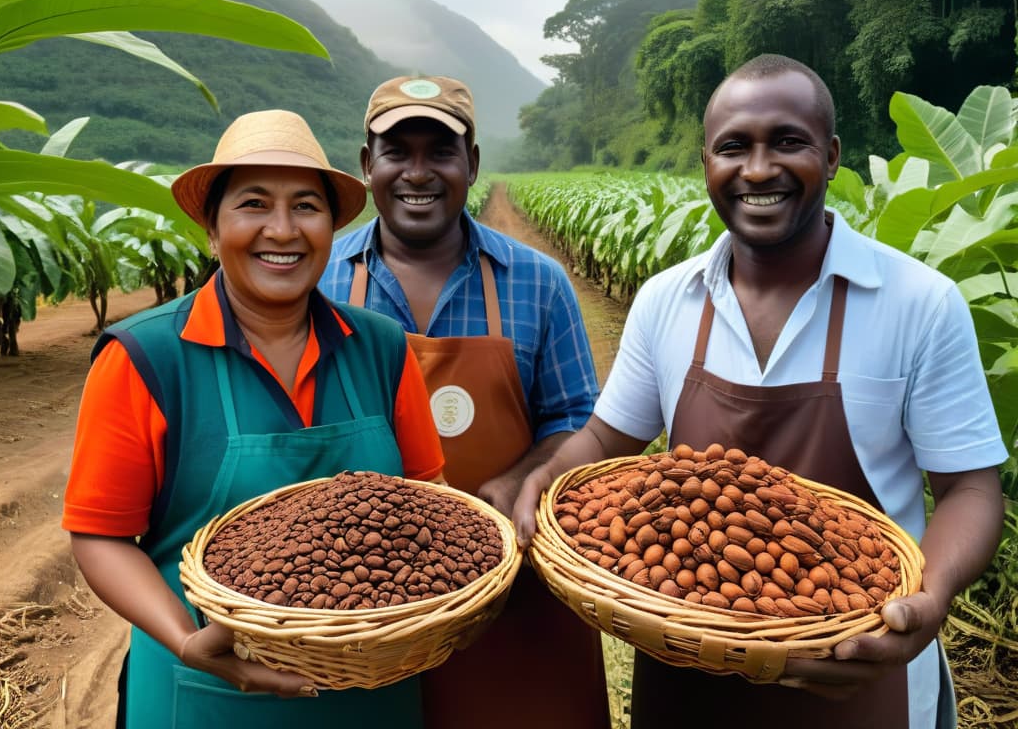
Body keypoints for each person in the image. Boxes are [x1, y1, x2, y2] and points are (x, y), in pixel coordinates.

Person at [512, 54, 1007, 729]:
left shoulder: (920, 302)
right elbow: (605, 438)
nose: (758, 169)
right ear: (707, 163)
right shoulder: (667, 300)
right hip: (690, 653)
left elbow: (971, 489)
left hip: (860, 659)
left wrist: (932, 595)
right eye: (733, 147)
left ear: (831, 156)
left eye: (788, 141)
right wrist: (547, 477)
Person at [62, 109, 444, 729]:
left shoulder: (382, 347)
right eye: (253, 204)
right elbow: (101, 536)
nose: (282, 230)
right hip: (206, 686)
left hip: (372, 689)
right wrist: (186, 640)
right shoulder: (145, 356)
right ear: (212, 230)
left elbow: (430, 500)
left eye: (305, 206)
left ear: (330, 226)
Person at [318, 75, 610, 729]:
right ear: (368, 166)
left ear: (472, 164)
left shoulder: (539, 283)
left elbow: (576, 422)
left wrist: (523, 479)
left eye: (440, 151)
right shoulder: (323, 280)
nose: (417, 172)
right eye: (397, 152)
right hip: (362, 599)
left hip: (516, 588)